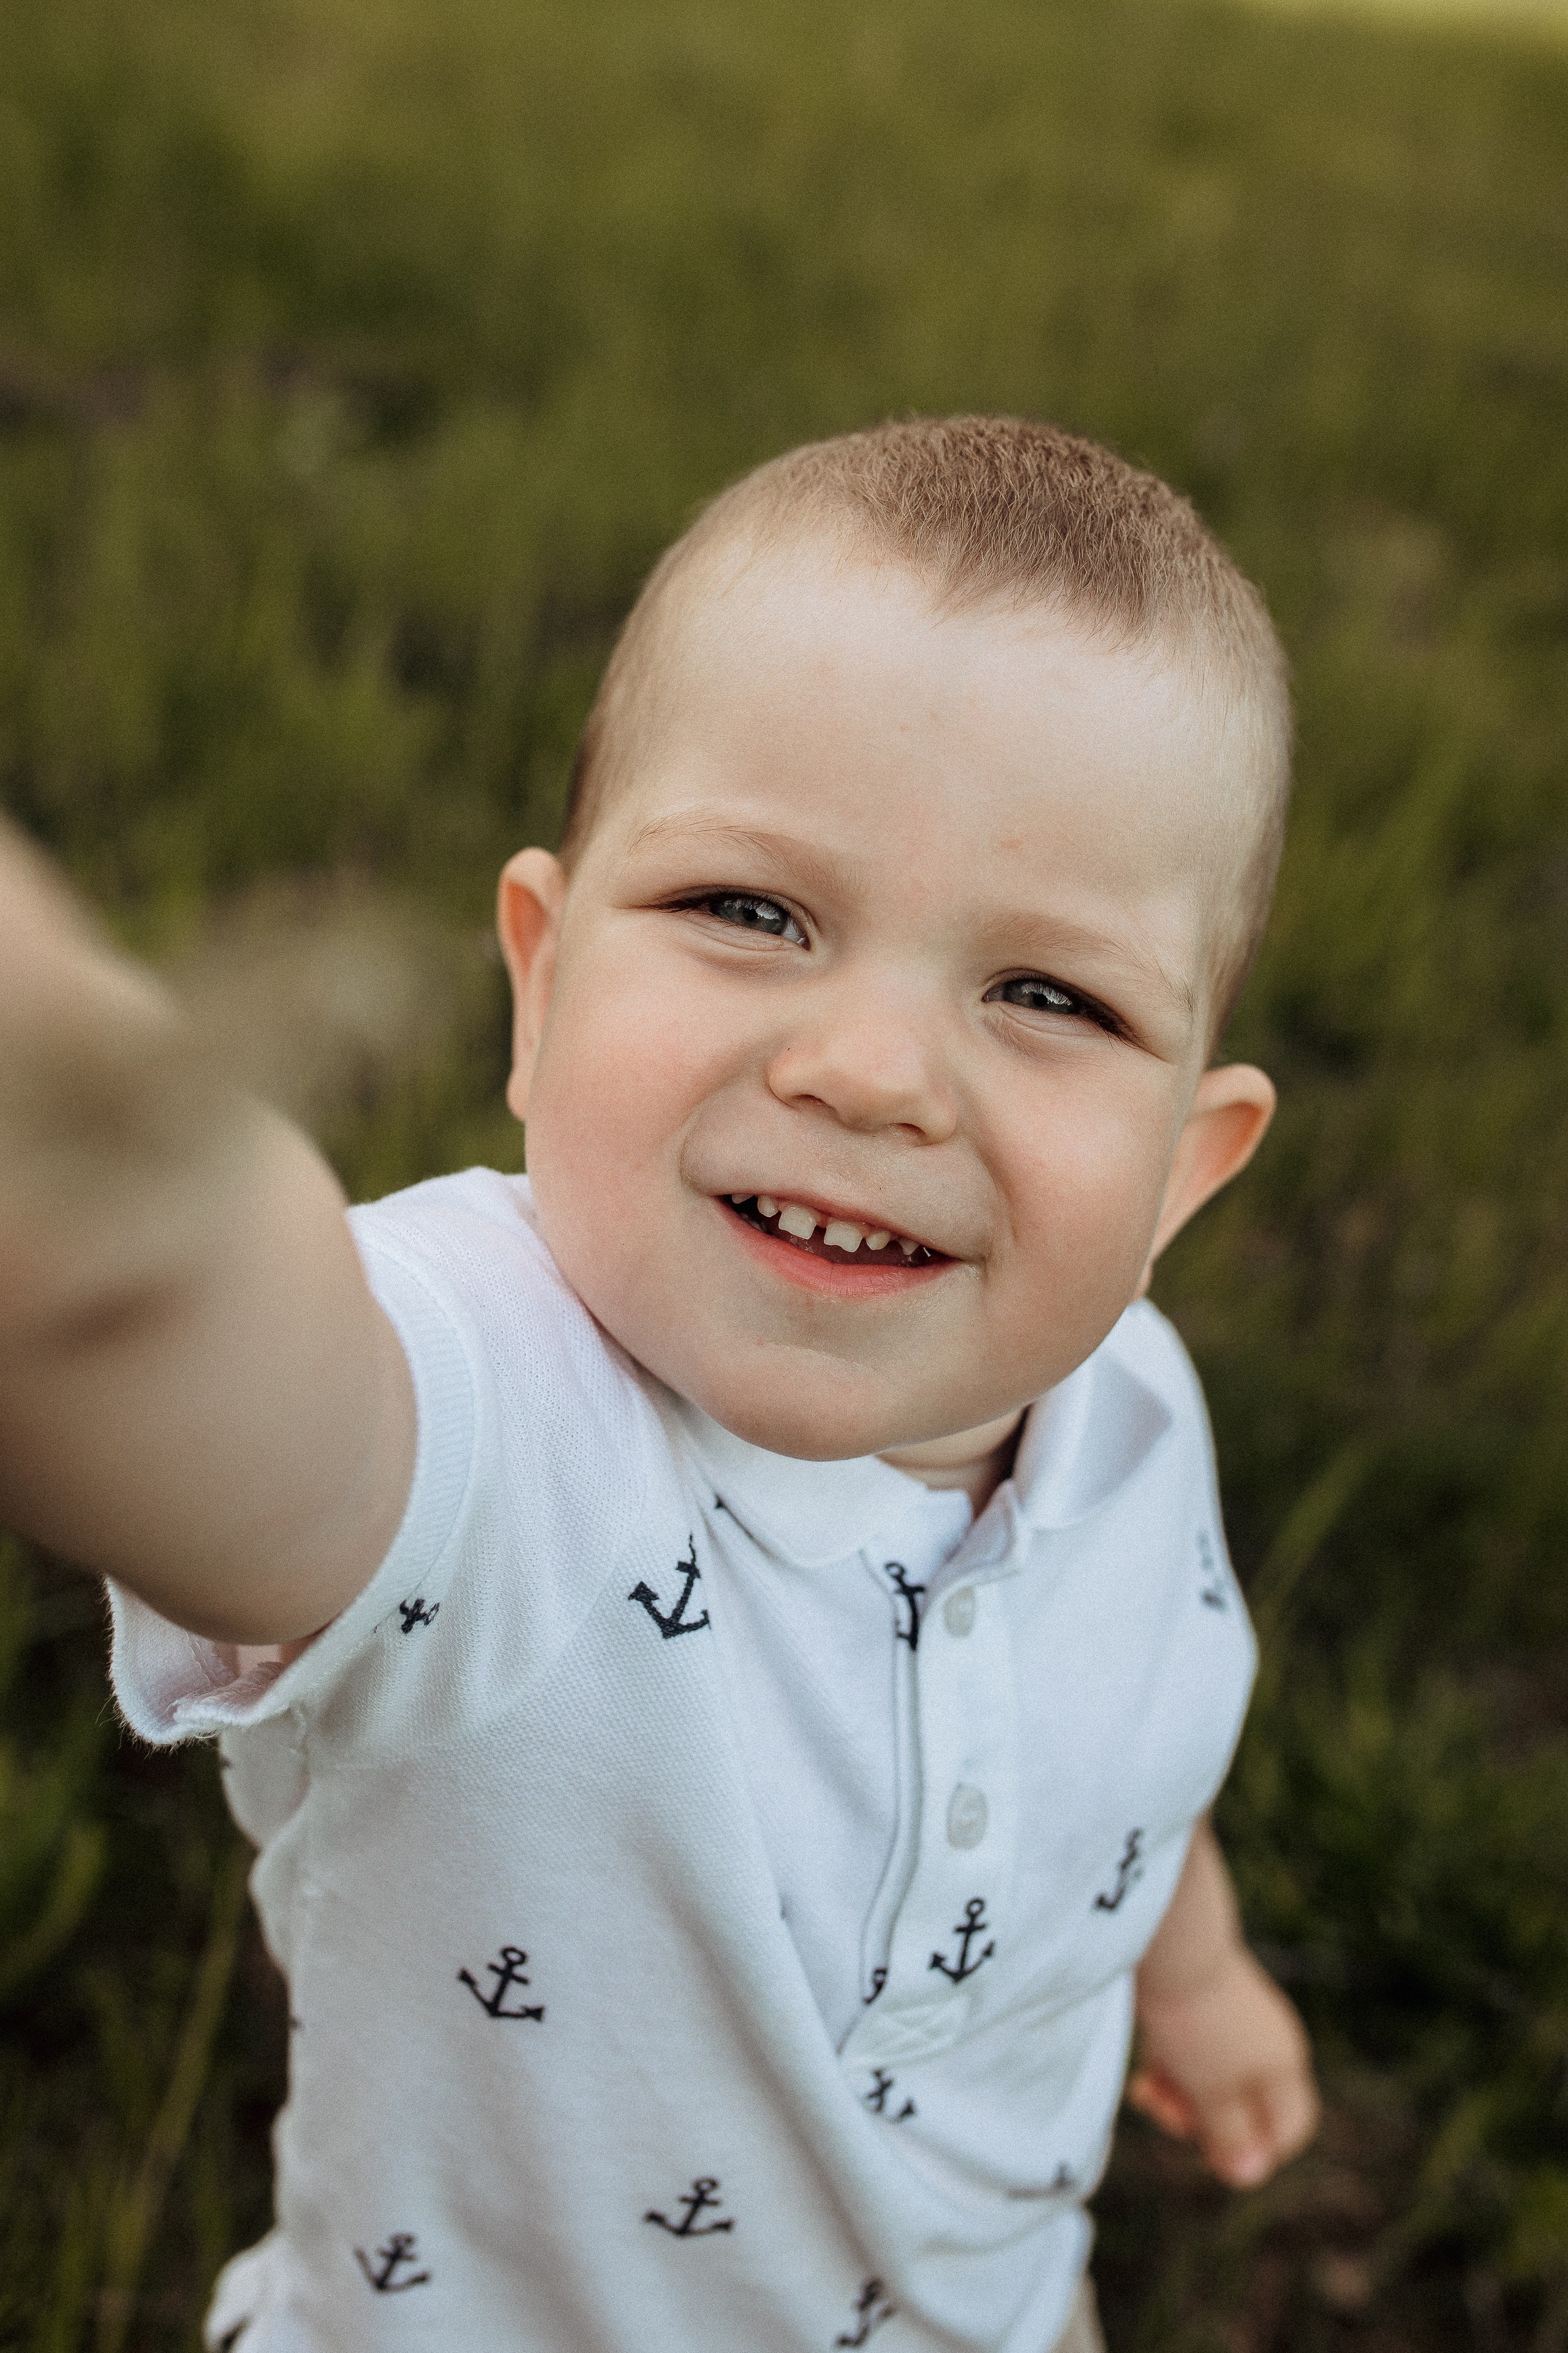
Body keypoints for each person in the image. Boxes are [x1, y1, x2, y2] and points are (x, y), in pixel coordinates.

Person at [0, 416, 1317, 2353]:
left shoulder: (1133, 1413)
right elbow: (181, 1337)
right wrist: (93, 1163)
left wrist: (1192, 1976)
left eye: (1052, 996)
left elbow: (1124, 1735)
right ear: (538, 985)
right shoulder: (495, 1430)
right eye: (751, 911)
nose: (871, 1069)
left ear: (1183, 1175)